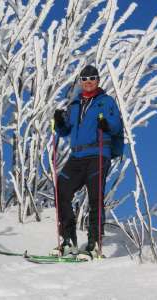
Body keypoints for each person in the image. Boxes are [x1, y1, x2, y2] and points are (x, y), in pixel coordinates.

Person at [53, 65, 122, 256]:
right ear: (80, 82)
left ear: (98, 80)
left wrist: (106, 124)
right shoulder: (74, 105)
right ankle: (68, 241)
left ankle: (94, 244)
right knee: (62, 188)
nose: (88, 81)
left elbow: (117, 125)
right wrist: (59, 122)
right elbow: (65, 130)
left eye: (92, 78)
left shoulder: (106, 102)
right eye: (84, 79)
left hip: (98, 153)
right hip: (77, 156)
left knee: (95, 196)